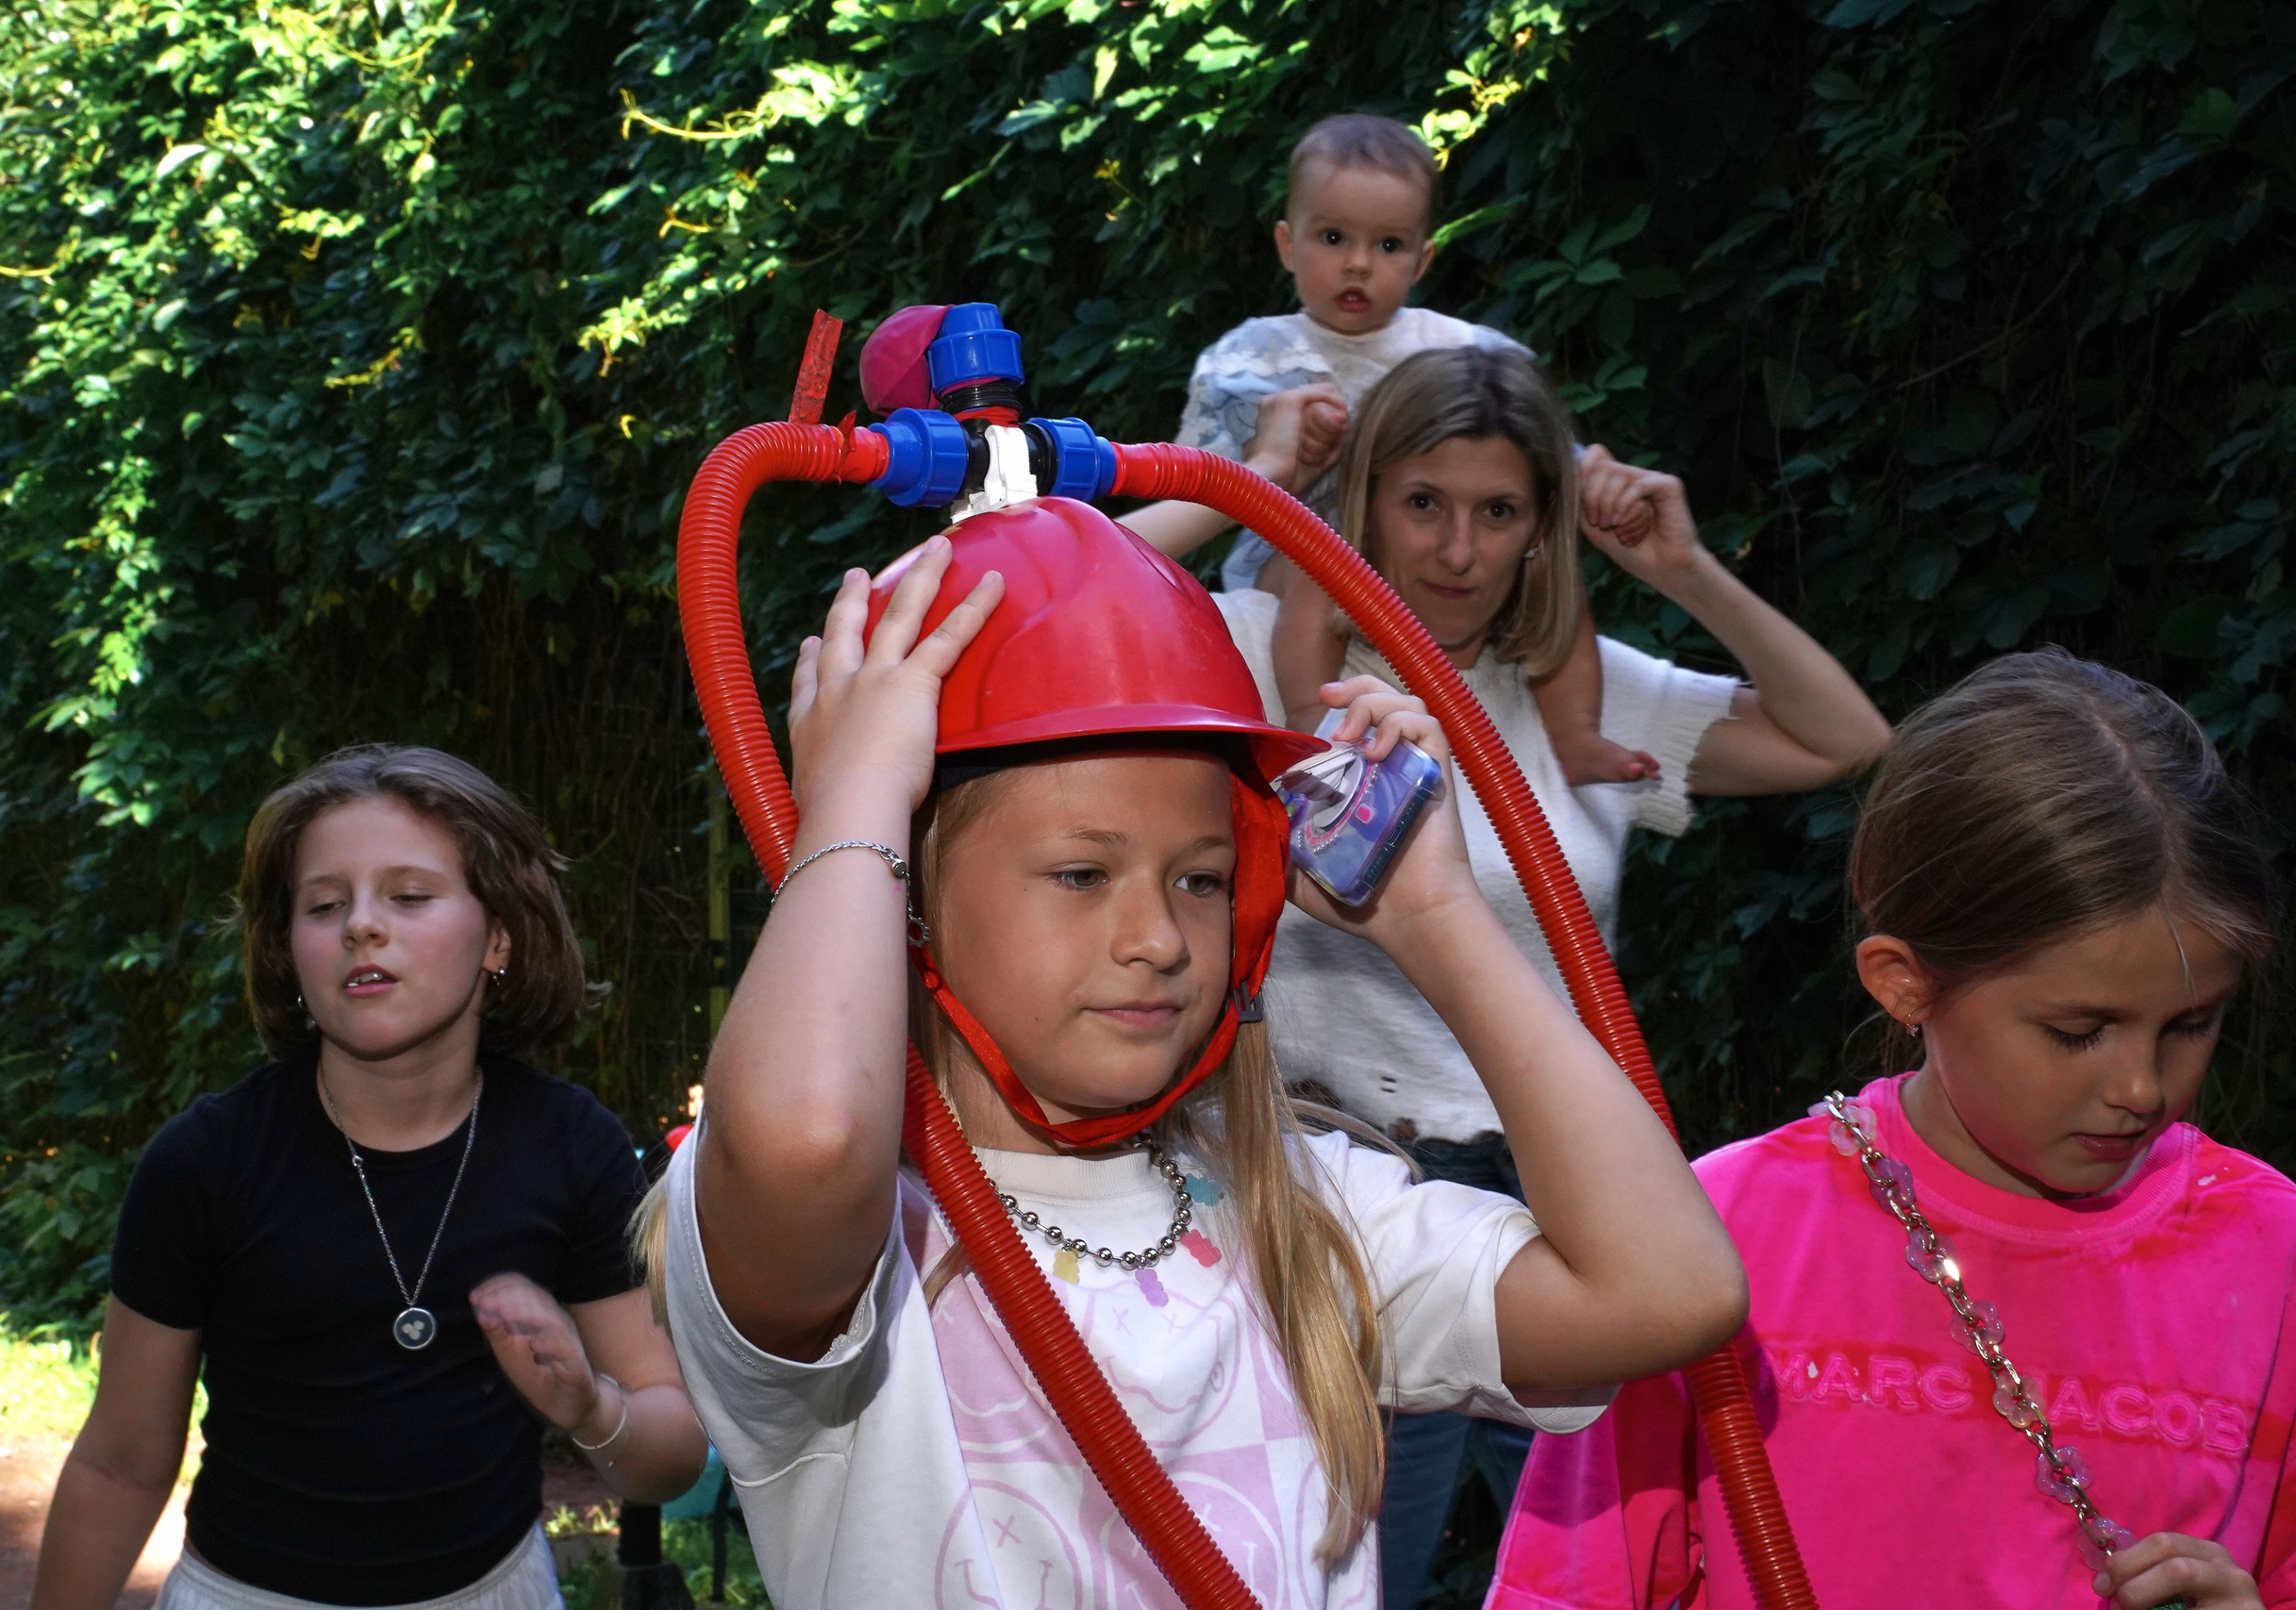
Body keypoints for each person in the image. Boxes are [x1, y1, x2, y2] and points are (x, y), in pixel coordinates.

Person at [640, 507, 1749, 1607]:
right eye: (1081, 875)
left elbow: (1667, 1292)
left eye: (1203, 879)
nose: (1160, 940)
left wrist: (1441, 921)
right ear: (907, 895)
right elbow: (806, 1137)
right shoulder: (864, 1229)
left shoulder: (1300, 1207)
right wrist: (856, 802)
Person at [1204, 342, 1891, 1609]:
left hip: (1572, 1202)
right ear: (1364, 502)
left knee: (1607, 1571)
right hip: (1337, 1190)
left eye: (1500, 510)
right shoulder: (1255, 645)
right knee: (1353, 1568)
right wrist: (1241, 482)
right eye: (1423, 502)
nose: (1458, 548)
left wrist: (1680, 569)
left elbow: (1844, 738)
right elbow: (1046, 595)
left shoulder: (1570, 688)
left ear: (1542, 528)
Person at [1489, 648, 2295, 1609]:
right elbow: (1570, 1587)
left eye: (2190, 1025)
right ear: (1904, 981)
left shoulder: (2271, 1251)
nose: (2138, 1086)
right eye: (2077, 1032)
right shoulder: (1715, 1230)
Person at [34, 746, 706, 1610]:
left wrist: (591, 1406)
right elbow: (119, 1461)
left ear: (499, 934)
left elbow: (673, 1449)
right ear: (289, 949)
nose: (360, 924)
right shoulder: (206, 1161)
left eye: (410, 895)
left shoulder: (572, 1146)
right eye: (323, 904)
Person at [1119, 111, 1655, 788]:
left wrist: (1604, 485)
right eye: (1333, 237)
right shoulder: (1250, 359)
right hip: (1291, 562)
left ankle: (1575, 735)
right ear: (1288, 244)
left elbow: (1546, 464)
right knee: (1324, 559)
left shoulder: (1465, 350)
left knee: (1551, 568)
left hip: (1421, 556)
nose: (1358, 264)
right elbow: (1198, 483)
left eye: (1389, 244)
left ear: (1423, 259)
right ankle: (1317, 723)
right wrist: (1269, 462)